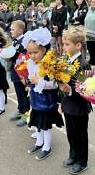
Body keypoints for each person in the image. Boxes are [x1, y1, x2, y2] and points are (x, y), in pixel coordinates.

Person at [22, 27, 64, 160]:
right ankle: (39, 142)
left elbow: (55, 84)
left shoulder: (49, 64)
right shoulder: (31, 63)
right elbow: (31, 77)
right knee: (36, 123)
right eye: (30, 52)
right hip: (35, 98)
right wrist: (29, 83)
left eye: (36, 52)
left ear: (44, 49)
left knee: (45, 125)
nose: (32, 55)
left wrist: (40, 83)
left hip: (46, 100)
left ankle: (47, 146)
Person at [59, 27, 91, 174]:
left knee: (80, 135)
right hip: (68, 105)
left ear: (78, 45)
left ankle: (82, 161)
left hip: (79, 107)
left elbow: (86, 89)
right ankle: (73, 155)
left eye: (67, 44)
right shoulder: (64, 60)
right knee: (70, 133)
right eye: (63, 44)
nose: (63, 47)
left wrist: (70, 89)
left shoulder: (83, 64)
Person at [9, 20, 30, 126]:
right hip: (15, 70)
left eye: (13, 29)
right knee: (18, 91)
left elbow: (25, 56)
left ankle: (26, 114)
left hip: (22, 71)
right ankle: (20, 109)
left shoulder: (25, 42)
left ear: (20, 30)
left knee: (24, 93)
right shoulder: (14, 41)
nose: (10, 31)